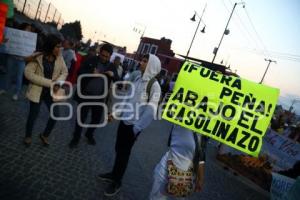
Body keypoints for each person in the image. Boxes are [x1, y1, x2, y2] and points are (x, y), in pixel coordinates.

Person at [98, 54, 162, 197]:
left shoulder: (155, 86)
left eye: (145, 61)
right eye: (142, 60)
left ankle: (117, 181)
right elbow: (127, 99)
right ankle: (113, 174)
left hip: (133, 126)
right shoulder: (138, 78)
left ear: (152, 65)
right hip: (124, 121)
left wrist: (136, 128)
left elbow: (150, 112)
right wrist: (115, 114)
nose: (141, 63)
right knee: (118, 149)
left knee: (124, 154)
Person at [23, 34, 68, 146]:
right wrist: (50, 83)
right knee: (33, 115)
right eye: (57, 46)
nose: (59, 49)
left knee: (56, 114)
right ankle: (28, 136)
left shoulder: (60, 57)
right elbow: (28, 74)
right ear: (50, 46)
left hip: (53, 92)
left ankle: (45, 135)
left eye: (60, 46)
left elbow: (64, 72)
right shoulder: (37, 56)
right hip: (37, 90)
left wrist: (58, 83)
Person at [69, 43, 114, 148]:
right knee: (81, 118)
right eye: (102, 55)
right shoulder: (91, 60)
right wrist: (90, 72)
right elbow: (80, 72)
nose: (104, 58)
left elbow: (118, 79)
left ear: (110, 56)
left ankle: (89, 134)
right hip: (86, 95)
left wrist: (113, 75)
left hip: (99, 98)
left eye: (107, 56)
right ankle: (76, 138)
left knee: (96, 119)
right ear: (100, 53)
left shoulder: (111, 66)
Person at [149, 125, 206, 199]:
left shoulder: (204, 130)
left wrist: (201, 178)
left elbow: (201, 154)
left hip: (186, 178)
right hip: (165, 171)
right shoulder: (180, 119)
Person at [0, 23, 32, 100]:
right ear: (23, 28)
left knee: (19, 77)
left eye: (30, 29)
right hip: (12, 57)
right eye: (27, 28)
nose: (29, 30)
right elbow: (8, 43)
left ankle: (16, 93)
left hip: (21, 60)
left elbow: (30, 49)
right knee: (8, 74)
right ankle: (4, 89)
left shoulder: (30, 38)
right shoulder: (15, 34)